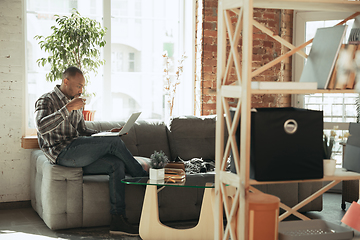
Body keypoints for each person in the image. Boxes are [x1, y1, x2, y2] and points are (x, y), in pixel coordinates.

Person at [34, 66, 146, 236]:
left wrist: (107, 135)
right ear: (66, 81)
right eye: (79, 85)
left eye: (83, 86)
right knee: (115, 145)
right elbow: (42, 127)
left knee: (116, 164)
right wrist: (67, 108)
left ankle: (118, 219)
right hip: (61, 153)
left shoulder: (76, 101)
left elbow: (82, 131)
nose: (81, 90)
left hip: (78, 150)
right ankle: (143, 179)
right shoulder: (46, 100)